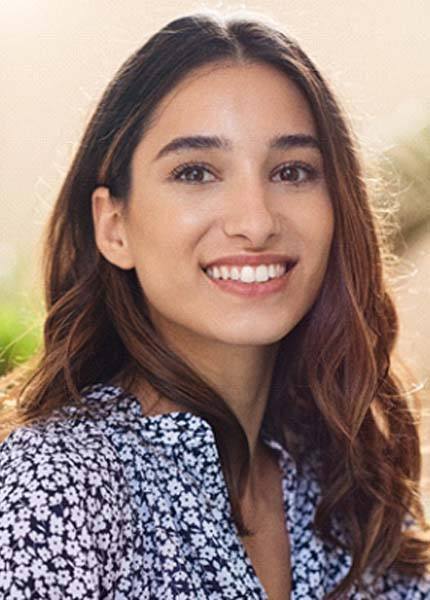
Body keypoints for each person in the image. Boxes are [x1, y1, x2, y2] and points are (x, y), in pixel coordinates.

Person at [0, 9, 429, 600]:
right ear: (114, 225)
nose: (255, 222)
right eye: (196, 171)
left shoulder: (347, 481)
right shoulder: (59, 485)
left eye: (292, 171)